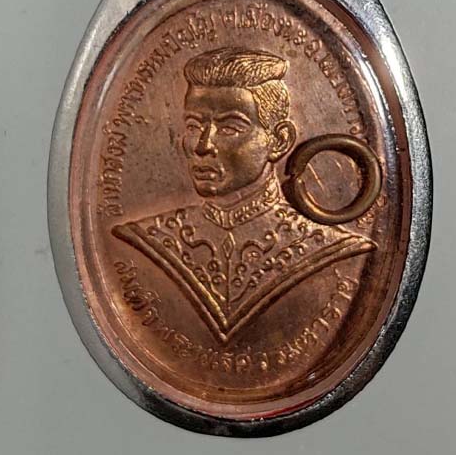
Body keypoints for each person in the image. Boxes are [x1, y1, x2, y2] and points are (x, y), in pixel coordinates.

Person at [113, 47, 375, 342]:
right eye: (194, 126)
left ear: (279, 140)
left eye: (229, 128)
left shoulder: (331, 249)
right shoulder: (149, 238)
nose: (202, 145)